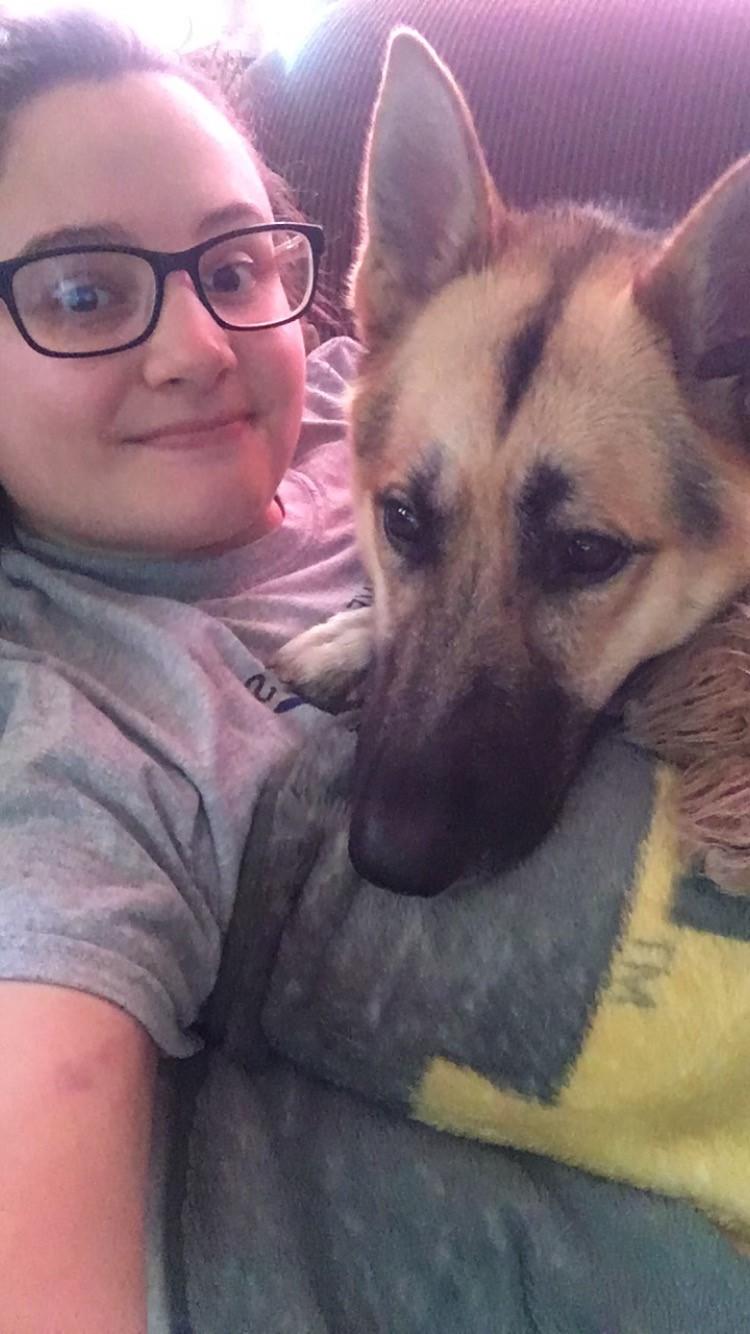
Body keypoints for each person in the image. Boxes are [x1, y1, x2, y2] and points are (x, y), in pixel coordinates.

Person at [0, 10, 362, 1330]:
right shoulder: (66, 725)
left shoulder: (371, 396)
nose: (201, 346)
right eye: (83, 292)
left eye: (235, 262)